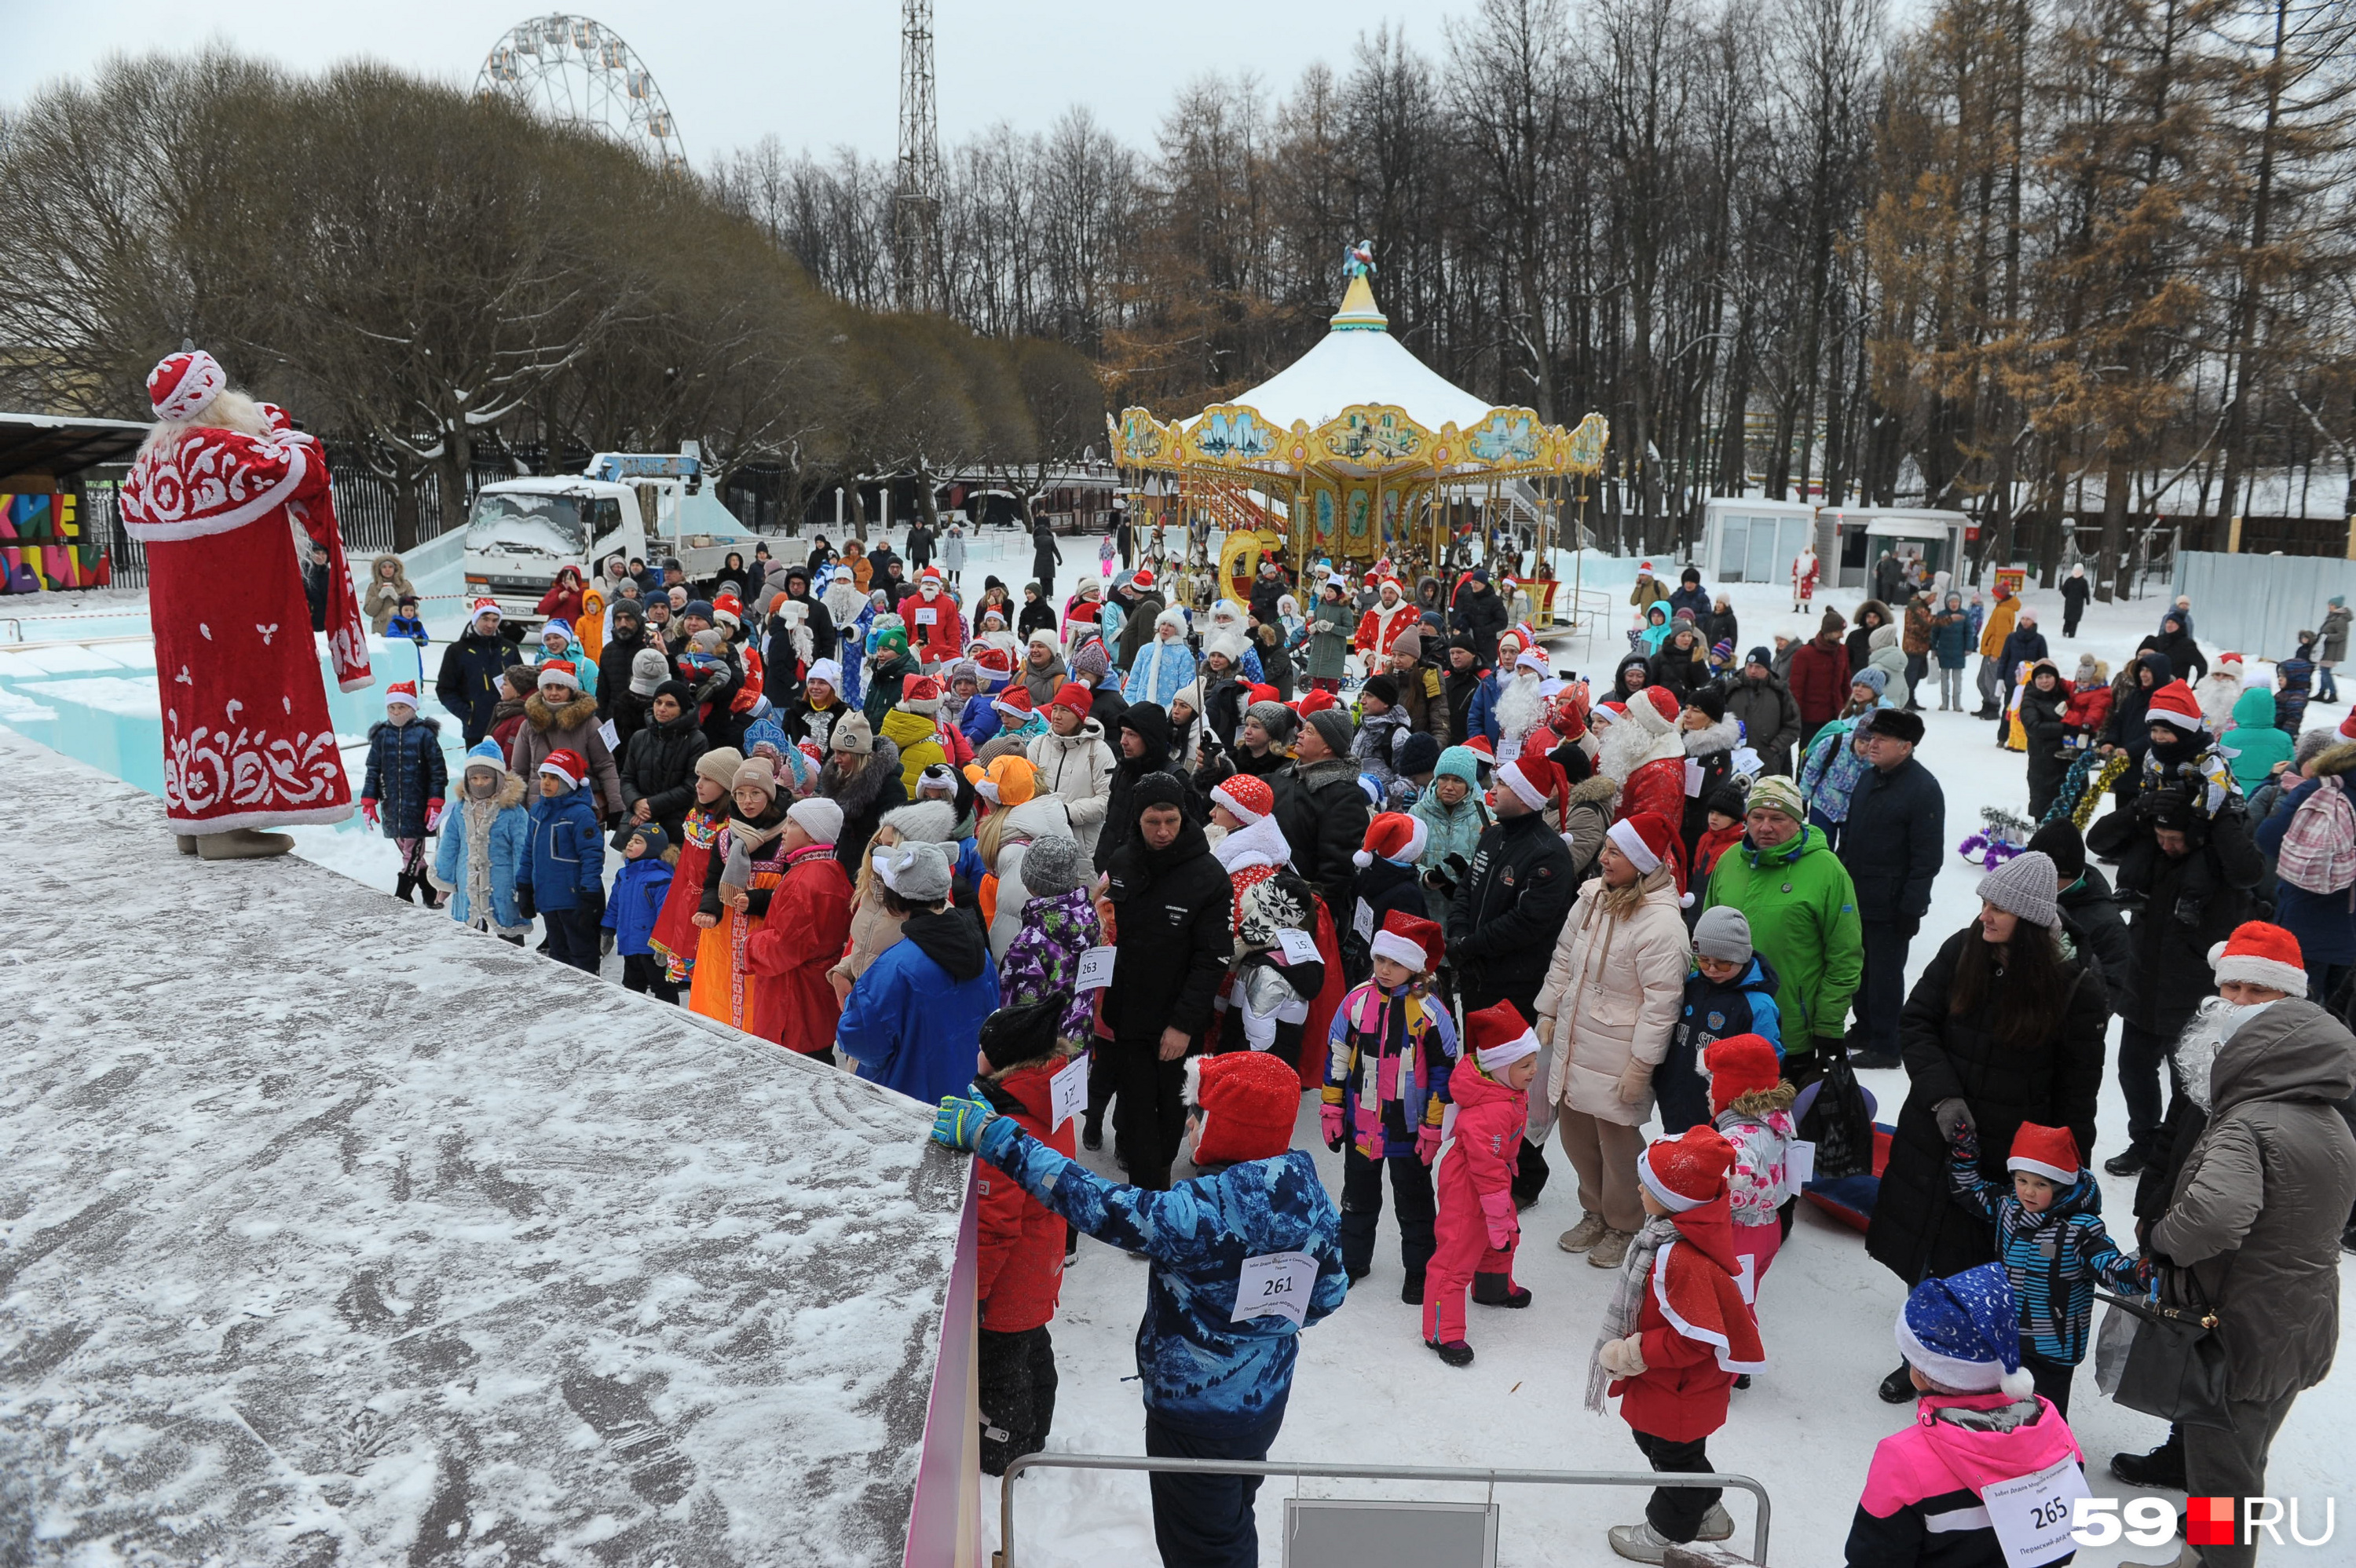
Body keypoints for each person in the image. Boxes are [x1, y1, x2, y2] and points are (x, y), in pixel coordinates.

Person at [931, 1049, 1347, 1568]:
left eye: (1198, 1114)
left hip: (1193, 1418)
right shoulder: (1310, 1196)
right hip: (1264, 1404)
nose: (1189, 1123)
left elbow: (1093, 1201)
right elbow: (1328, 1294)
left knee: (1201, 1546)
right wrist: (1260, 1321)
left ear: (1226, 1127)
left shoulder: (1197, 1214)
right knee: (1229, 1515)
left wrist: (997, 1136)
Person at [2115, 934, 2356, 1568]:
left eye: (2258, 992)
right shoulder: (2327, 1116)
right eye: (2232, 986)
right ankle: (2200, 1556)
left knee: (2225, 1475)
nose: (2238, 1003)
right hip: (2295, 1323)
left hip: (2238, 1329)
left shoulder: (2251, 1118)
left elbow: (2215, 1216)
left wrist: (2164, 1239)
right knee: (2241, 1459)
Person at [1864, 850, 2106, 1403]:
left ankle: (1969, 1373)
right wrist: (1943, 1096)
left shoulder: (2075, 990)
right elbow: (1917, 1021)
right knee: (1925, 1255)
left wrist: (2069, 1182)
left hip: (2007, 1163)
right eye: (1984, 902)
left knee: (1981, 1271)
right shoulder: (1962, 949)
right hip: (1935, 1138)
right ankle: (1922, 1357)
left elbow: (2076, 1098)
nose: (1985, 914)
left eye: (1999, 907)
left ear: (2031, 918)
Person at [1589, 1127, 1762, 1561]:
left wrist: (1631, 1353)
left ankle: (1665, 1533)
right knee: (1659, 1446)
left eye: (1645, 1184)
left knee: (1674, 1462)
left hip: (1680, 1388)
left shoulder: (1679, 1257)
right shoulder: (1666, 1235)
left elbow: (1694, 1340)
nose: (1638, 1188)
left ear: (1673, 1198)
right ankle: (1708, 1510)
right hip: (1670, 1387)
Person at [1845, 1265, 2085, 1567]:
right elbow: (2061, 1543)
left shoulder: (1904, 1458)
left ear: (1921, 1373)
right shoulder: (2055, 1431)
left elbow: (1875, 1560)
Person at [1536, 812, 1692, 1269]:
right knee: (1575, 1136)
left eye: (1615, 852)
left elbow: (1661, 1005)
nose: (1603, 858)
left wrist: (1641, 1067)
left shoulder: (1662, 926)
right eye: (1605, 848)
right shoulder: (1590, 900)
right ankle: (1595, 1212)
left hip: (1618, 1053)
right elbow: (1564, 957)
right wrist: (1548, 1009)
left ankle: (1625, 1223)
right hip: (1574, 1039)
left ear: (1641, 862)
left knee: (1619, 1145)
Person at [2086, 784, 2266, 1176]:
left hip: (2194, 992)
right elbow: (2098, 839)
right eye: (2160, 837)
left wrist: (2221, 823)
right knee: (2133, 1070)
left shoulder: (2219, 861)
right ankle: (2144, 1140)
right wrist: (2140, 807)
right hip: (2143, 982)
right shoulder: (2150, 852)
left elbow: (2251, 870)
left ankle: (2175, 1150)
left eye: (2175, 839)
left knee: (2190, 1086)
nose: (2166, 845)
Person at [1945, 1119, 2143, 1416]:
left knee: (2046, 1411)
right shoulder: (2008, 1207)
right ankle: (2007, 1454)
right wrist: (1964, 1155)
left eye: (2041, 1184)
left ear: (2062, 1185)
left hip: (2055, 1344)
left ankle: (2054, 1456)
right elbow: (1969, 1191)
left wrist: (2138, 1273)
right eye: (2022, 1180)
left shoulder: (2080, 1230)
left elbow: (2109, 1266)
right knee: (2003, 1405)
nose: (2028, 1192)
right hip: (2008, 1333)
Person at [1447, 755, 1577, 1204]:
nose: (1494, 790)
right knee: (1480, 1072)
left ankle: (1523, 1175)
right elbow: (1468, 887)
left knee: (1510, 1081)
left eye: (1502, 784)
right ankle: (1480, 1152)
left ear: (1524, 795)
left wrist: (1471, 944)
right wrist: (1458, 934)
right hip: (1479, 973)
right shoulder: (1495, 833)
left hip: (1516, 984)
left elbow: (1530, 923)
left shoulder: (1548, 853)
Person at [960, 1001, 1079, 1476]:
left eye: (983, 1049)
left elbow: (993, 1227)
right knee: (1033, 1351)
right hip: (1040, 1264)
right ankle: (1036, 1433)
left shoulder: (1007, 1132)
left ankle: (1004, 1455)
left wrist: (976, 1293)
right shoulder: (1048, 1101)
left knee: (1001, 1370)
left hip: (1010, 1279)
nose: (977, 1054)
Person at [1101, 774, 1233, 1190]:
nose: (1162, 832)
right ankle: (1149, 1194)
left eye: (1171, 821)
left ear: (1184, 817)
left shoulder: (1208, 876)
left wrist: (1182, 1024)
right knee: (1137, 1104)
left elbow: (1213, 958)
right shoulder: (1122, 862)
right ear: (1137, 821)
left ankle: (1157, 1171)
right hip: (1128, 1011)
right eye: (1152, 822)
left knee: (1171, 1109)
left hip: (1178, 1017)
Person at [1322, 912, 1454, 1303]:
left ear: (1413, 966)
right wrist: (1332, 1110)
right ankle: (1353, 1259)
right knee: (1357, 1197)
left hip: (1409, 1129)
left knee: (1414, 1204)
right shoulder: (1355, 1002)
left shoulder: (1431, 1012)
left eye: (1395, 962)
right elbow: (1337, 1056)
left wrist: (1432, 1130)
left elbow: (1443, 1077)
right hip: (1361, 1123)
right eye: (1380, 959)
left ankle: (1418, 1270)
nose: (1384, 968)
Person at [1701, 776, 1862, 1090]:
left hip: (1789, 1029)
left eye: (1778, 818)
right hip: (1723, 1023)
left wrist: (1828, 1024)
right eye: (1757, 817)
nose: (1765, 827)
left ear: (1798, 821)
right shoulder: (1730, 861)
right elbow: (1705, 936)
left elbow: (1845, 955)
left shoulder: (1827, 870)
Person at [1424, 1000, 1539, 1367]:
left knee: (1504, 1236)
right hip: (1468, 1184)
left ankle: (1492, 1288)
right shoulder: (1490, 1110)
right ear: (1500, 1067)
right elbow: (1485, 1164)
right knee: (1457, 1255)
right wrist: (1494, 1205)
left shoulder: (1506, 1091)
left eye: (1533, 1061)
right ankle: (1443, 1330)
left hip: (1494, 1177)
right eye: (1525, 1064)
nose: (1533, 1071)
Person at [838, 840, 999, 1102]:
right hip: (964, 1099)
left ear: (896, 897)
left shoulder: (893, 968)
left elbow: (858, 1040)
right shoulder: (980, 953)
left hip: (902, 1101)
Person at [1837, 708, 1942, 1069]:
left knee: (1884, 974)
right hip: (1856, 895)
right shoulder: (1869, 779)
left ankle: (1887, 1043)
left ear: (1906, 746)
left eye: (1881, 739)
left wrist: (1911, 908)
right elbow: (1849, 834)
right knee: (1857, 969)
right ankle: (1865, 1028)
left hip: (1892, 903)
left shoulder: (1924, 789)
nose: (1871, 744)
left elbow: (1927, 857)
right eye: (1870, 737)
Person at [1702, 1036, 1797, 1349]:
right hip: (1769, 1227)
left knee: (1727, 1302)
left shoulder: (1738, 1137)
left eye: (1712, 1082)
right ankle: (1739, 1354)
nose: (1707, 1091)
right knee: (1744, 1296)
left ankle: (1730, 1365)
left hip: (1739, 1232)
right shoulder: (1777, 1118)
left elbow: (1734, 1188)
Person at [744, 797, 856, 1058]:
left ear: (811, 834)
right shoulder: (832, 870)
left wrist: (748, 944)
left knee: (790, 1071)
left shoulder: (803, 882)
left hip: (792, 1001)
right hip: (815, 997)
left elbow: (786, 946)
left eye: (792, 823)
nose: (784, 829)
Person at [1659, 908, 1783, 1134]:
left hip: (1723, 1116)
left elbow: (1766, 1061)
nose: (1712, 969)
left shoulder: (1758, 1005)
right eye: (1704, 961)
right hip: (1677, 1100)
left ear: (1742, 958)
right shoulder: (1693, 984)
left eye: (1723, 963)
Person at [2252, 736, 2356, 1003]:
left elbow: (2267, 838)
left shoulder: (2314, 789)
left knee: (2294, 1017)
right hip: (2350, 931)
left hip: (2304, 924)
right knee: (2341, 1022)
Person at [515, 750, 608, 974]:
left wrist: (590, 894)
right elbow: (529, 850)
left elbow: (592, 856)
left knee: (582, 952)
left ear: (568, 782)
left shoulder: (580, 814)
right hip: (548, 896)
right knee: (558, 951)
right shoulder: (538, 810)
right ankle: (563, 995)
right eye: (544, 776)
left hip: (574, 897)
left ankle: (588, 993)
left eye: (554, 778)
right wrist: (525, 885)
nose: (546, 783)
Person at [431, 740, 530, 941]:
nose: (479, 783)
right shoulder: (460, 809)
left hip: (503, 886)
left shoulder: (513, 812)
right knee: (471, 940)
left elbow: (522, 851)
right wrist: (444, 881)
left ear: (498, 778)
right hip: (466, 884)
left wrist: (524, 887)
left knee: (510, 939)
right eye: (474, 778)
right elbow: (450, 846)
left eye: (485, 777)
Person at [360, 681, 448, 908]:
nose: (397, 712)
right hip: (391, 806)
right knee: (411, 854)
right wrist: (369, 800)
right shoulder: (381, 736)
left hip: (418, 807)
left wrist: (435, 801)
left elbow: (438, 771)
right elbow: (373, 770)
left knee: (411, 855)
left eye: (402, 707)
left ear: (413, 708)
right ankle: (429, 892)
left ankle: (402, 897)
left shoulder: (424, 735)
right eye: (392, 708)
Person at [509, 660, 624, 824]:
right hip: (540, 809)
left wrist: (616, 805)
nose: (554, 693)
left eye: (560, 687)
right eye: (549, 687)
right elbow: (519, 771)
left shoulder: (590, 723)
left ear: (570, 689)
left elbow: (605, 765)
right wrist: (517, 809)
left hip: (581, 808)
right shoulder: (529, 725)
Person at [819, 714, 907, 869]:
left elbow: (891, 840)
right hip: (843, 864)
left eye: (842, 753)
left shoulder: (890, 787)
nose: (836, 760)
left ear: (858, 754)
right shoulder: (838, 779)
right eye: (835, 752)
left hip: (871, 867)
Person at [602, 823, 679, 1003]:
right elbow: (614, 906)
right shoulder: (624, 875)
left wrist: (664, 946)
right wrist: (607, 930)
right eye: (631, 839)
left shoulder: (662, 880)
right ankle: (632, 1021)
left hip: (652, 949)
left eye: (638, 841)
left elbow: (667, 916)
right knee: (631, 986)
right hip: (629, 943)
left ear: (651, 849)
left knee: (662, 986)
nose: (630, 844)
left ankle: (672, 1022)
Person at [1725, 648, 1801, 777]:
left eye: (1758, 667)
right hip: (1732, 761)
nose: (1753, 671)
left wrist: (1774, 748)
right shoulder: (1730, 689)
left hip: (1766, 763)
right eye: (1750, 666)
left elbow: (1793, 726)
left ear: (1767, 669)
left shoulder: (1780, 692)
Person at [1788, 612, 1851, 747]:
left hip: (1834, 716)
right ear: (1827, 632)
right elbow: (1796, 689)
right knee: (1808, 754)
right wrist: (1796, 717)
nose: (1842, 635)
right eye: (1838, 631)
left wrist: (1847, 705)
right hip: (1810, 719)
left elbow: (1846, 682)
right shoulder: (1805, 654)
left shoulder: (1842, 651)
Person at [2016, 660, 2069, 820]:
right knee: (2045, 815)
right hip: (2043, 767)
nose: (2044, 681)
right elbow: (2034, 728)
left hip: (2068, 766)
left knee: (2070, 818)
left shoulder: (2066, 697)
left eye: (2048, 676)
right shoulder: (2030, 701)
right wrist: (2065, 728)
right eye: (2040, 677)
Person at [1974, 587, 2019, 718]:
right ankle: (1987, 705)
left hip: (1995, 653)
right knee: (1982, 681)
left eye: (1995, 594)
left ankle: (1993, 708)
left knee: (1990, 681)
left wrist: (1996, 653)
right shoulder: (2001, 608)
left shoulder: (2004, 611)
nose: (1993, 596)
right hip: (1990, 651)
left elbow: (2002, 635)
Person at [2320, 594, 2351, 704]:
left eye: (2331, 604)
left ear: (2336, 606)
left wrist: (2327, 637)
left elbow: (2342, 635)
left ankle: (2333, 693)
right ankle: (2322, 692)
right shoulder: (2333, 616)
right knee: (2323, 670)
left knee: (2325, 671)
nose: (2329, 606)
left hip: (2333, 650)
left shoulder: (2340, 619)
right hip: (2327, 648)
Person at [1030, 518, 1063, 601]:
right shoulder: (1050, 539)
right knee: (1049, 579)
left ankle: (1043, 594)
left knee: (1042, 579)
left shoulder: (1037, 540)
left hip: (1040, 561)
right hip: (1049, 561)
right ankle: (1050, 594)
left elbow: (1035, 546)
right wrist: (1060, 559)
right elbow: (1055, 550)